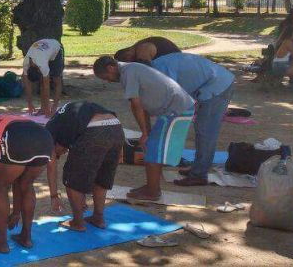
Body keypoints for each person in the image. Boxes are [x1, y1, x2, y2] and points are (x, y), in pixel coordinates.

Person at [93, 56, 195, 201]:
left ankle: (153, 192)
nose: (108, 81)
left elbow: (136, 105)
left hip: (177, 110)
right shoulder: (129, 71)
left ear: (111, 68)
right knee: (151, 147)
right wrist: (145, 132)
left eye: (106, 77)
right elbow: (142, 106)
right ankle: (151, 187)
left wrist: (146, 133)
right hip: (174, 109)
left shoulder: (129, 72)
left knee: (153, 150)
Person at [0, 115, 53, 253]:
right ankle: (26, 237)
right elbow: (16, 179)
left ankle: (1, 243)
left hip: (16, 136)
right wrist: (15, 212)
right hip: (44, 137)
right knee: (26, 183)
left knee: (1, 186)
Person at [151, 53, 234, 186]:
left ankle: (199, 175)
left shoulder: (160, 70)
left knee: (206, 132)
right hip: (215, 81)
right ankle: (198, 168)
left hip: (217, 86)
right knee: (202, 129)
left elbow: (173, 94)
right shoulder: (158, 64)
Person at [45, 101, 122, 231]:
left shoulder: (49, 132)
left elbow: (51, 166)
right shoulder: (67, 120)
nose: (63, 153)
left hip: (95, 129)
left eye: (58, 154)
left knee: (71, 177)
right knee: (100, 177)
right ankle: (98, 217)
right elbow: (88, 170)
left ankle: (78, 222)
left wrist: (54, 196)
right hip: (116, 127)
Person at [22, 39, 64, 116]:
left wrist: (49, 108)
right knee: (42, 83)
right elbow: (27, 84)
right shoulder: (26, 63)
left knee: (56, 80)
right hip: (44, 49)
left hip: (56, 48)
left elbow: (46, 86)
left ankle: (54, 108)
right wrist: (29, 103)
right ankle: (43, 109)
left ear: (38, 70)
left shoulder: (42, 65)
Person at [114, 36, 181, 65]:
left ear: (127, 54)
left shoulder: (142, 50)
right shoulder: (138, 46)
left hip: (177, 64)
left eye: (126, 60)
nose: (129, 62)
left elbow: (146, 71)